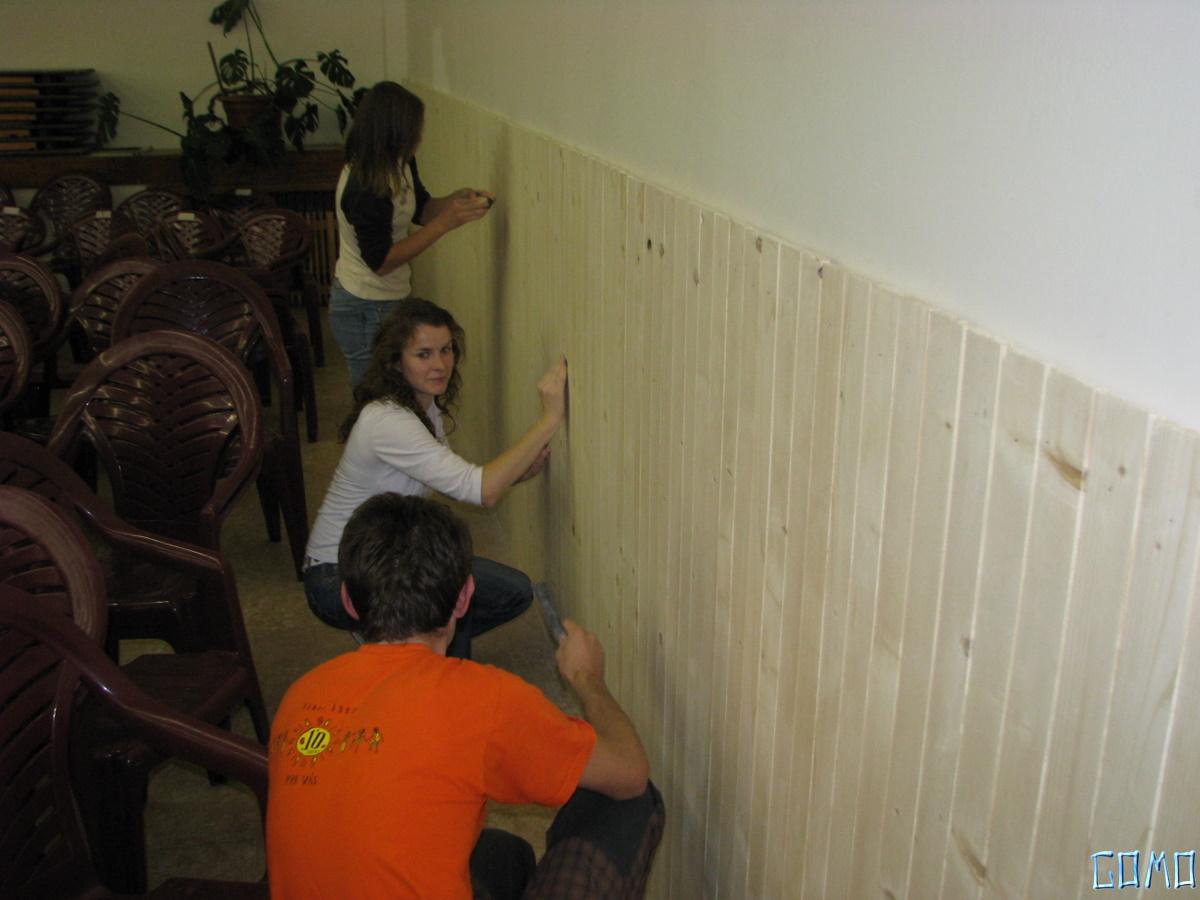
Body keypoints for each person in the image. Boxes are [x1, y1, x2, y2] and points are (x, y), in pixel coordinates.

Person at [268, 493, 664, 900]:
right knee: (631, 804)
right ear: (464, 596)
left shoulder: (300, 696)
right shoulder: (483, 699)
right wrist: (586, 678)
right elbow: (630, 772)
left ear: (348, 601)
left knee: (503, 855)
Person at [304, 297, 562, 659]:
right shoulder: (389, 421)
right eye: (423, 354)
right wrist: (550, 418)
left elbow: (459, 484)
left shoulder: (423, 405)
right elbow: (482, 491)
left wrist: (517, 474)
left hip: (388, 554)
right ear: (396, 361)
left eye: (446, 350)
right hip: (338, 576)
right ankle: (413, 652)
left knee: (512, 591)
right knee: (449, 599)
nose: (440, 365)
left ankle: (404, 644)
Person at [331, 80, 493, 387]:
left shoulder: (401, 161)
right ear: (393, 132)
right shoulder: (364, 186)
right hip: (363, 303)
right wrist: (444, 224)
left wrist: (454, 203)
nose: (419, 138)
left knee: (397, 391)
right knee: (376, 397)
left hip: (390, 296)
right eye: (413, 131)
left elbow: (421, 209)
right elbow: (381, 262)